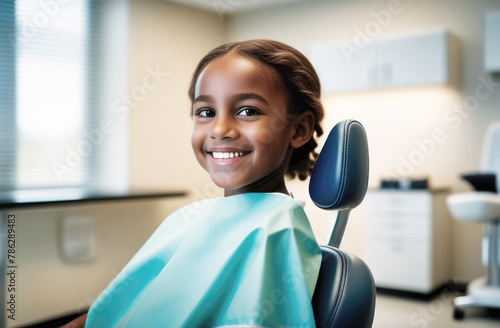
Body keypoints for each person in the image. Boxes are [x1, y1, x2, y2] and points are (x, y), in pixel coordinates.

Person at [62, 39, 325, 328]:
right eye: (206, 112)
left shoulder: (276, 227)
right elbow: (116, 309)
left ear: (299, 129)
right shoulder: (191, 217)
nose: (220, 129)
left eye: (248, 111)